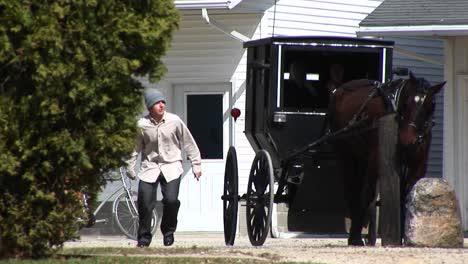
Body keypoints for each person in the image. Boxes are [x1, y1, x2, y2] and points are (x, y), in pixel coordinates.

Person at [126, 88, 202, 247]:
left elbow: (189, 143)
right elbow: (135, 148)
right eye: (156, 103)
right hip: (150, 168)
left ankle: (168, 232)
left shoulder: (175, 121)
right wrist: (130, 167)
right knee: (145, 203)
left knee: (171, 201)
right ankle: (144, 238)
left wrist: (196, 165)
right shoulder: (142, 125)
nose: (161, 105)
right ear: (149, 107)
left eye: (162, 102)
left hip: (172, 166)